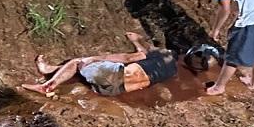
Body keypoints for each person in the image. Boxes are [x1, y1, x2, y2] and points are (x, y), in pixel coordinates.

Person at [22, 32, 178, 96]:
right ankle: (52, 71)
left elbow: (129, 58)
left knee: (80, 62)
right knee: (86, 73)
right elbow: (143, 56)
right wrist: (137, 41)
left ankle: (47, 86)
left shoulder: (161, 53)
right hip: (116, 91)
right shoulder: (171, 70)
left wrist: (96, 58)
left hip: (115, 76)